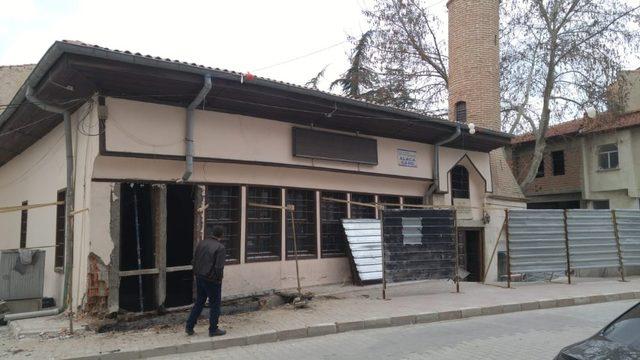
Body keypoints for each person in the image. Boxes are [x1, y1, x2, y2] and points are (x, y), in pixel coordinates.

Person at [186, 226, 226, 337]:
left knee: (199, 302)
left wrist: (196, 273)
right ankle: (213, 329)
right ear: (221, 236)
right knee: (215, 304)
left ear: (212, 233)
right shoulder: (220, 248)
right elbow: (219, 267)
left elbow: (194, 260)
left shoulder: (201, 243)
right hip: (212, 280)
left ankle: (189, 326)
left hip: (200, 277)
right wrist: (219, 279)